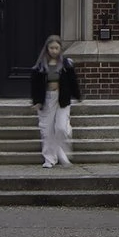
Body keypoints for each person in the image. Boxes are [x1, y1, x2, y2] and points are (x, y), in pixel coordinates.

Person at [28, 35, 80, 168]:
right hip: (47, 99)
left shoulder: (66, 64)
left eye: (56, 48)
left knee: (61, 128)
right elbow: (35, 86)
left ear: (60, 49)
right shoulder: (40, 66)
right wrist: (37, 101)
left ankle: (62, 151)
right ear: (47, 49)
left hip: (62, 98)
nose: (54, 51)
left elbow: (73, 81)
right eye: (51, 48)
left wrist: (78, 95)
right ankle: (49, 159)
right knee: (47, 130)